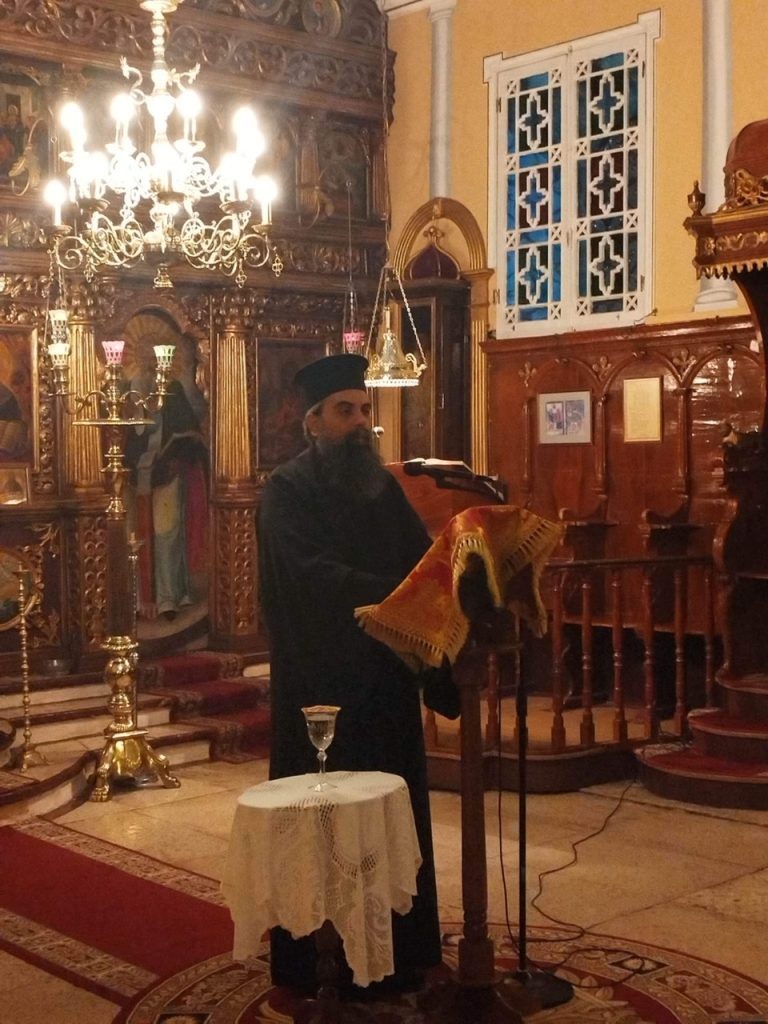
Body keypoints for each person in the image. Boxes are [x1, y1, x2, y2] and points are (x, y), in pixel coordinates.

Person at [258, 353, 455, 998]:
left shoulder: (381, 487)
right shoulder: (286, 492)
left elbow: (420, 558)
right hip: (322, 688)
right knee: (327, 824)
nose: (360, 422)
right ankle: (319, 963)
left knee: (391, 819)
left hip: (386, 682)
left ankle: (402, 952)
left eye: (365, 409)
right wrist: (389, 596)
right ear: (313, 421)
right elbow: (305, 579)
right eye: (346, 410)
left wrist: (451, 579)